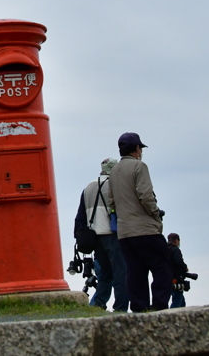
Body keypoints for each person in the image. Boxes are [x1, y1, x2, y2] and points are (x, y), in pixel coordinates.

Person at [107, 132, 173, 312]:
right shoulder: (139, 166)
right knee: (162, 267)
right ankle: (159, 306)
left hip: (125, 232)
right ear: (137, 149)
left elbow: (111, 201)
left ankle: (139, 308)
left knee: (135, 271)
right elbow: (145, 195)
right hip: (145, 228)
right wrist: (155, 215)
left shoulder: (113, 172)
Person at [74, 157, 128, 312]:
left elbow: (80, 217)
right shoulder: (115, 185)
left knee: (104, 275)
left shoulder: (88, 187)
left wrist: (79, 237)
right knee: (121, 274)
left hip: (95, 238)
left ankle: (97, 306)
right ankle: (121, 309)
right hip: (113, 235)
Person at [167, 233, 189, 308]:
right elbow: (178, 262)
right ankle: (170, 317)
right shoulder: (175, 250)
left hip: (166, 277)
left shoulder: (165, 249)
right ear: (176, 241)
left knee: (182, 302)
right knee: (177, 300)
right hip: (176, 278)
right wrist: (185, 268)